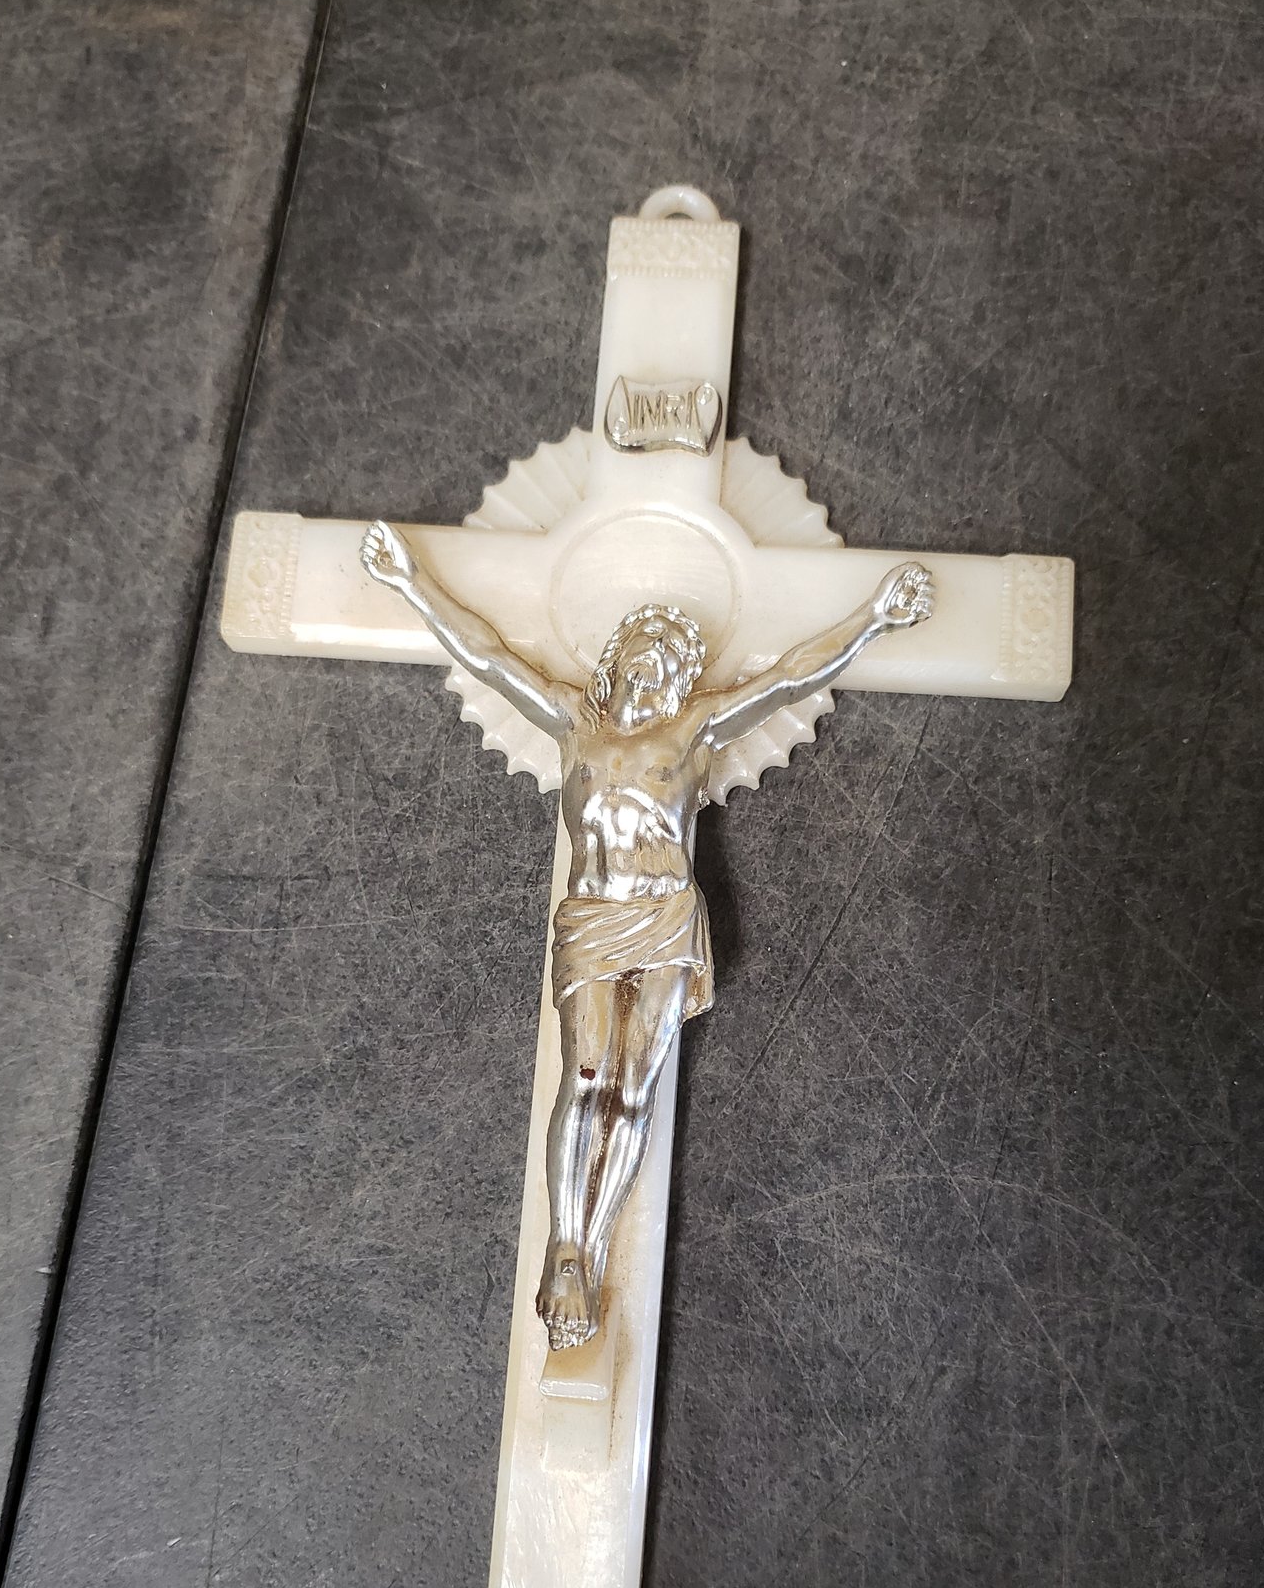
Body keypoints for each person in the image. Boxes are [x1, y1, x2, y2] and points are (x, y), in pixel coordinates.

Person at [361, 520, 934, 1350]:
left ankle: (590, 1256)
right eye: (646, 646)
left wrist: (873, 618)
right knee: (587, 1073)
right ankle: (564, 1241)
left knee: (633, 1087)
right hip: (593, 917)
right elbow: (485, 656)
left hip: (665, 917)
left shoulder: (691, 731)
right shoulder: (574, 723)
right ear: (618, 655)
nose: (655, 662)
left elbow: (789, 677)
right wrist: (409, 582)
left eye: (671, 657)